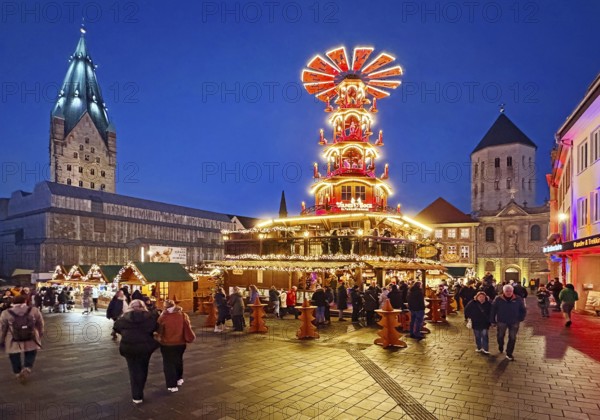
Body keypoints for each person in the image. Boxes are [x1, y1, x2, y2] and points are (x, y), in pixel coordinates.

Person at [113, 300, 159, 404]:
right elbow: (155, 327)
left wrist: (126, 334)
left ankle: (136, 395)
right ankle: (140, 389)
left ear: (130, 307)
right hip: (145, 347)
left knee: (133, 370)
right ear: (143, 306)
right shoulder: (150, 317)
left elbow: (116, 327)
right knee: (143, 368)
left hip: (129, 347)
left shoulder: (123, 318)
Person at [0, 295, 44, 383]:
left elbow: (2, 328)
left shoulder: (6, 312)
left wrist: (1, 339)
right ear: (25, 301)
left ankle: (17, 372)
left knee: (14, 355)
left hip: (13, 338)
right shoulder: (34, 310)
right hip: (31, 336)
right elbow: (40, 323)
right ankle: (27, 368)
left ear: (13, 302)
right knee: (31, 352)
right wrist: (40, 334)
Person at [157, 299, 195, 393]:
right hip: (181, 343)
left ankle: (172, 385)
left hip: (167, 344)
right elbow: (188, 327)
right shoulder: (183, 315)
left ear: (165, 307)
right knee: (178, 360)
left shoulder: (163, 317)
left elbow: (159, 331)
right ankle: (179, 378)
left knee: (168, 364)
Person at [490, 284, 527, 361]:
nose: (508, 292)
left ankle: (509, 353)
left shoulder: (518, 299)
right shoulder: (498, 299)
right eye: (507, 291)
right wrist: (492, 320)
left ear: (512, 291)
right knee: (500, 336)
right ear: (503, 291)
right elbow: (493, 310)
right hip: (502, 321)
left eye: (510, 291)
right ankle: (501, 345)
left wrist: (521, 318)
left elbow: (523, 310)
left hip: (514, 321)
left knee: (512, 337)